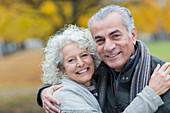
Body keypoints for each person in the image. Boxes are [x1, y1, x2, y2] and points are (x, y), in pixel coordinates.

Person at [37, 5, 170, 113]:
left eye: (115, 36)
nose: (109, 47)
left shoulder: (163, 78)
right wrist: (45, 91)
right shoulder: (97, 72)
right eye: (100, 40)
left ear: (133, 35)